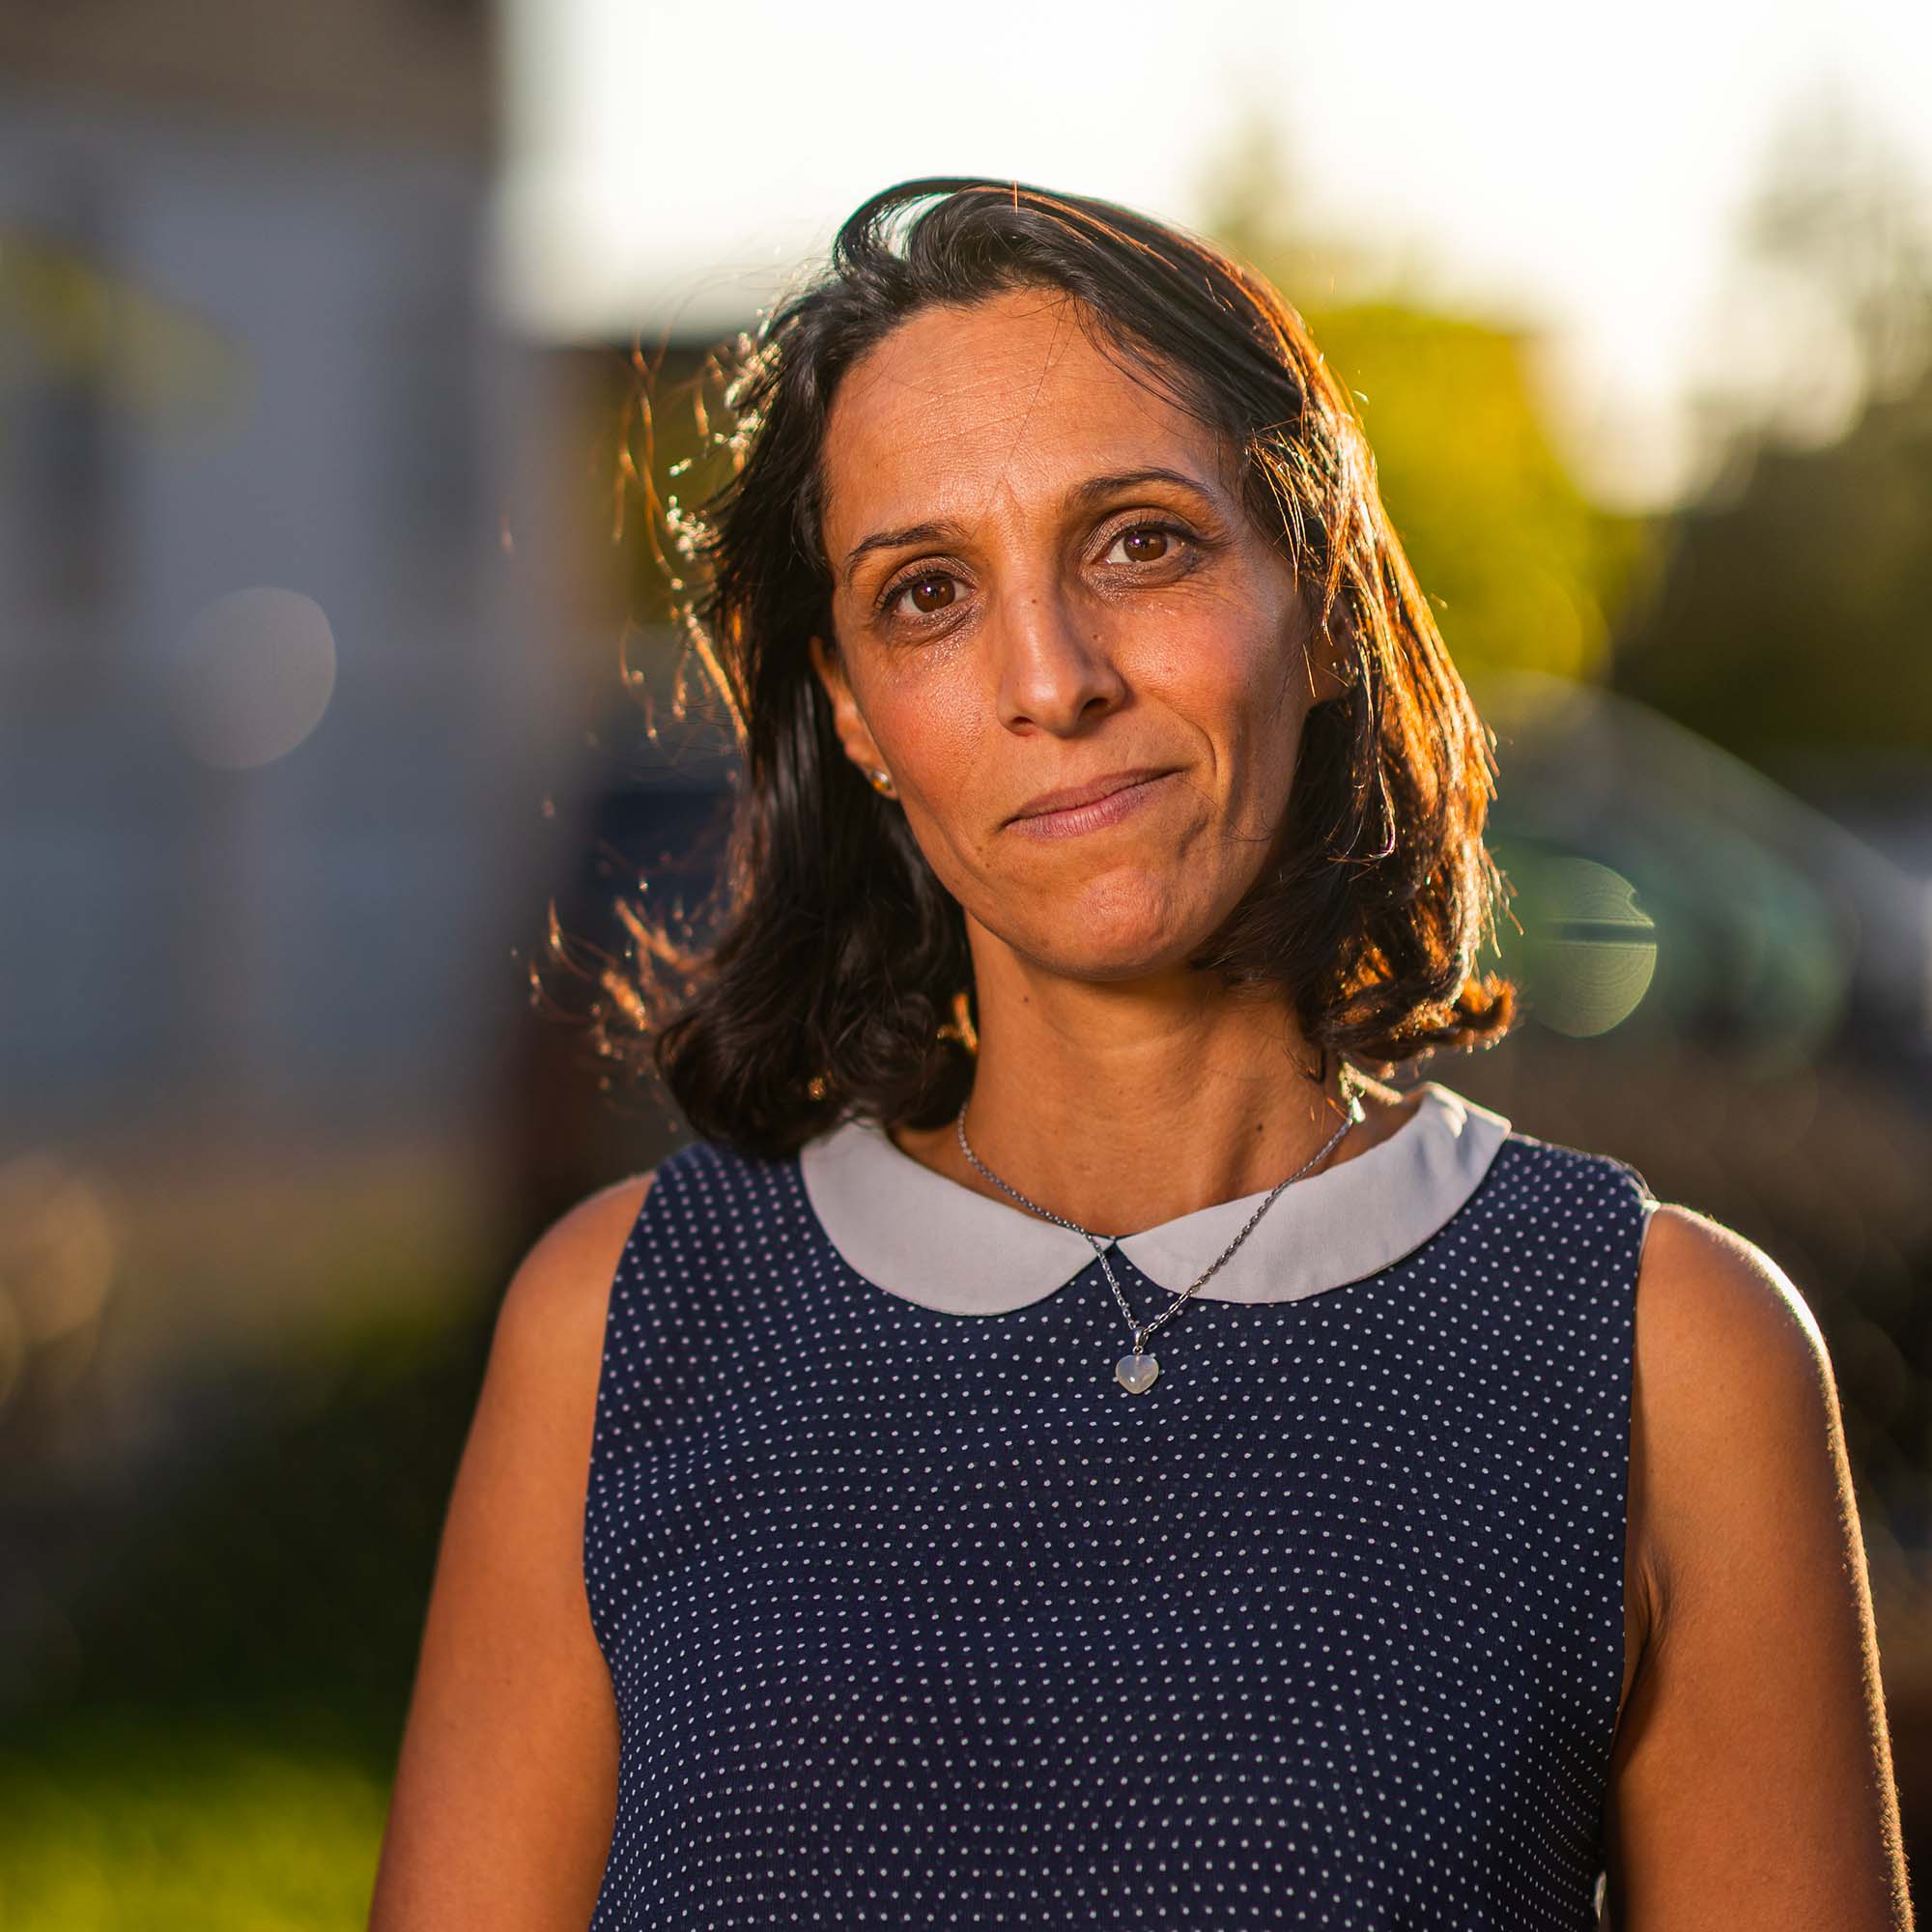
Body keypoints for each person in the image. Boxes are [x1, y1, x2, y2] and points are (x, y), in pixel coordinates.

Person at [366, 180, 1914, 1929]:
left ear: (1323, 596)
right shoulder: (624, 1327)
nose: (1051, 678)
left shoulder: (1658, 1347)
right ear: (860, 716)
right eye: (930, 592)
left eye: (1140, 543)